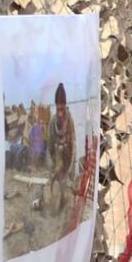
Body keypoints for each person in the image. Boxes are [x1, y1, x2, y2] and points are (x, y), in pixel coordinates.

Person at [47, 83, 77, 211]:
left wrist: (70, 169)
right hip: (56, 162)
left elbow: (73, 146)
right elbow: (49, 148)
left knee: (67, 195)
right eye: (58, 109)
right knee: (55, 197)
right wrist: (52, 167)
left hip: (67, 161)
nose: (60, 113)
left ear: (65, 107)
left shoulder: (70, 121)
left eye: (62, 109)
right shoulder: (52, 122)